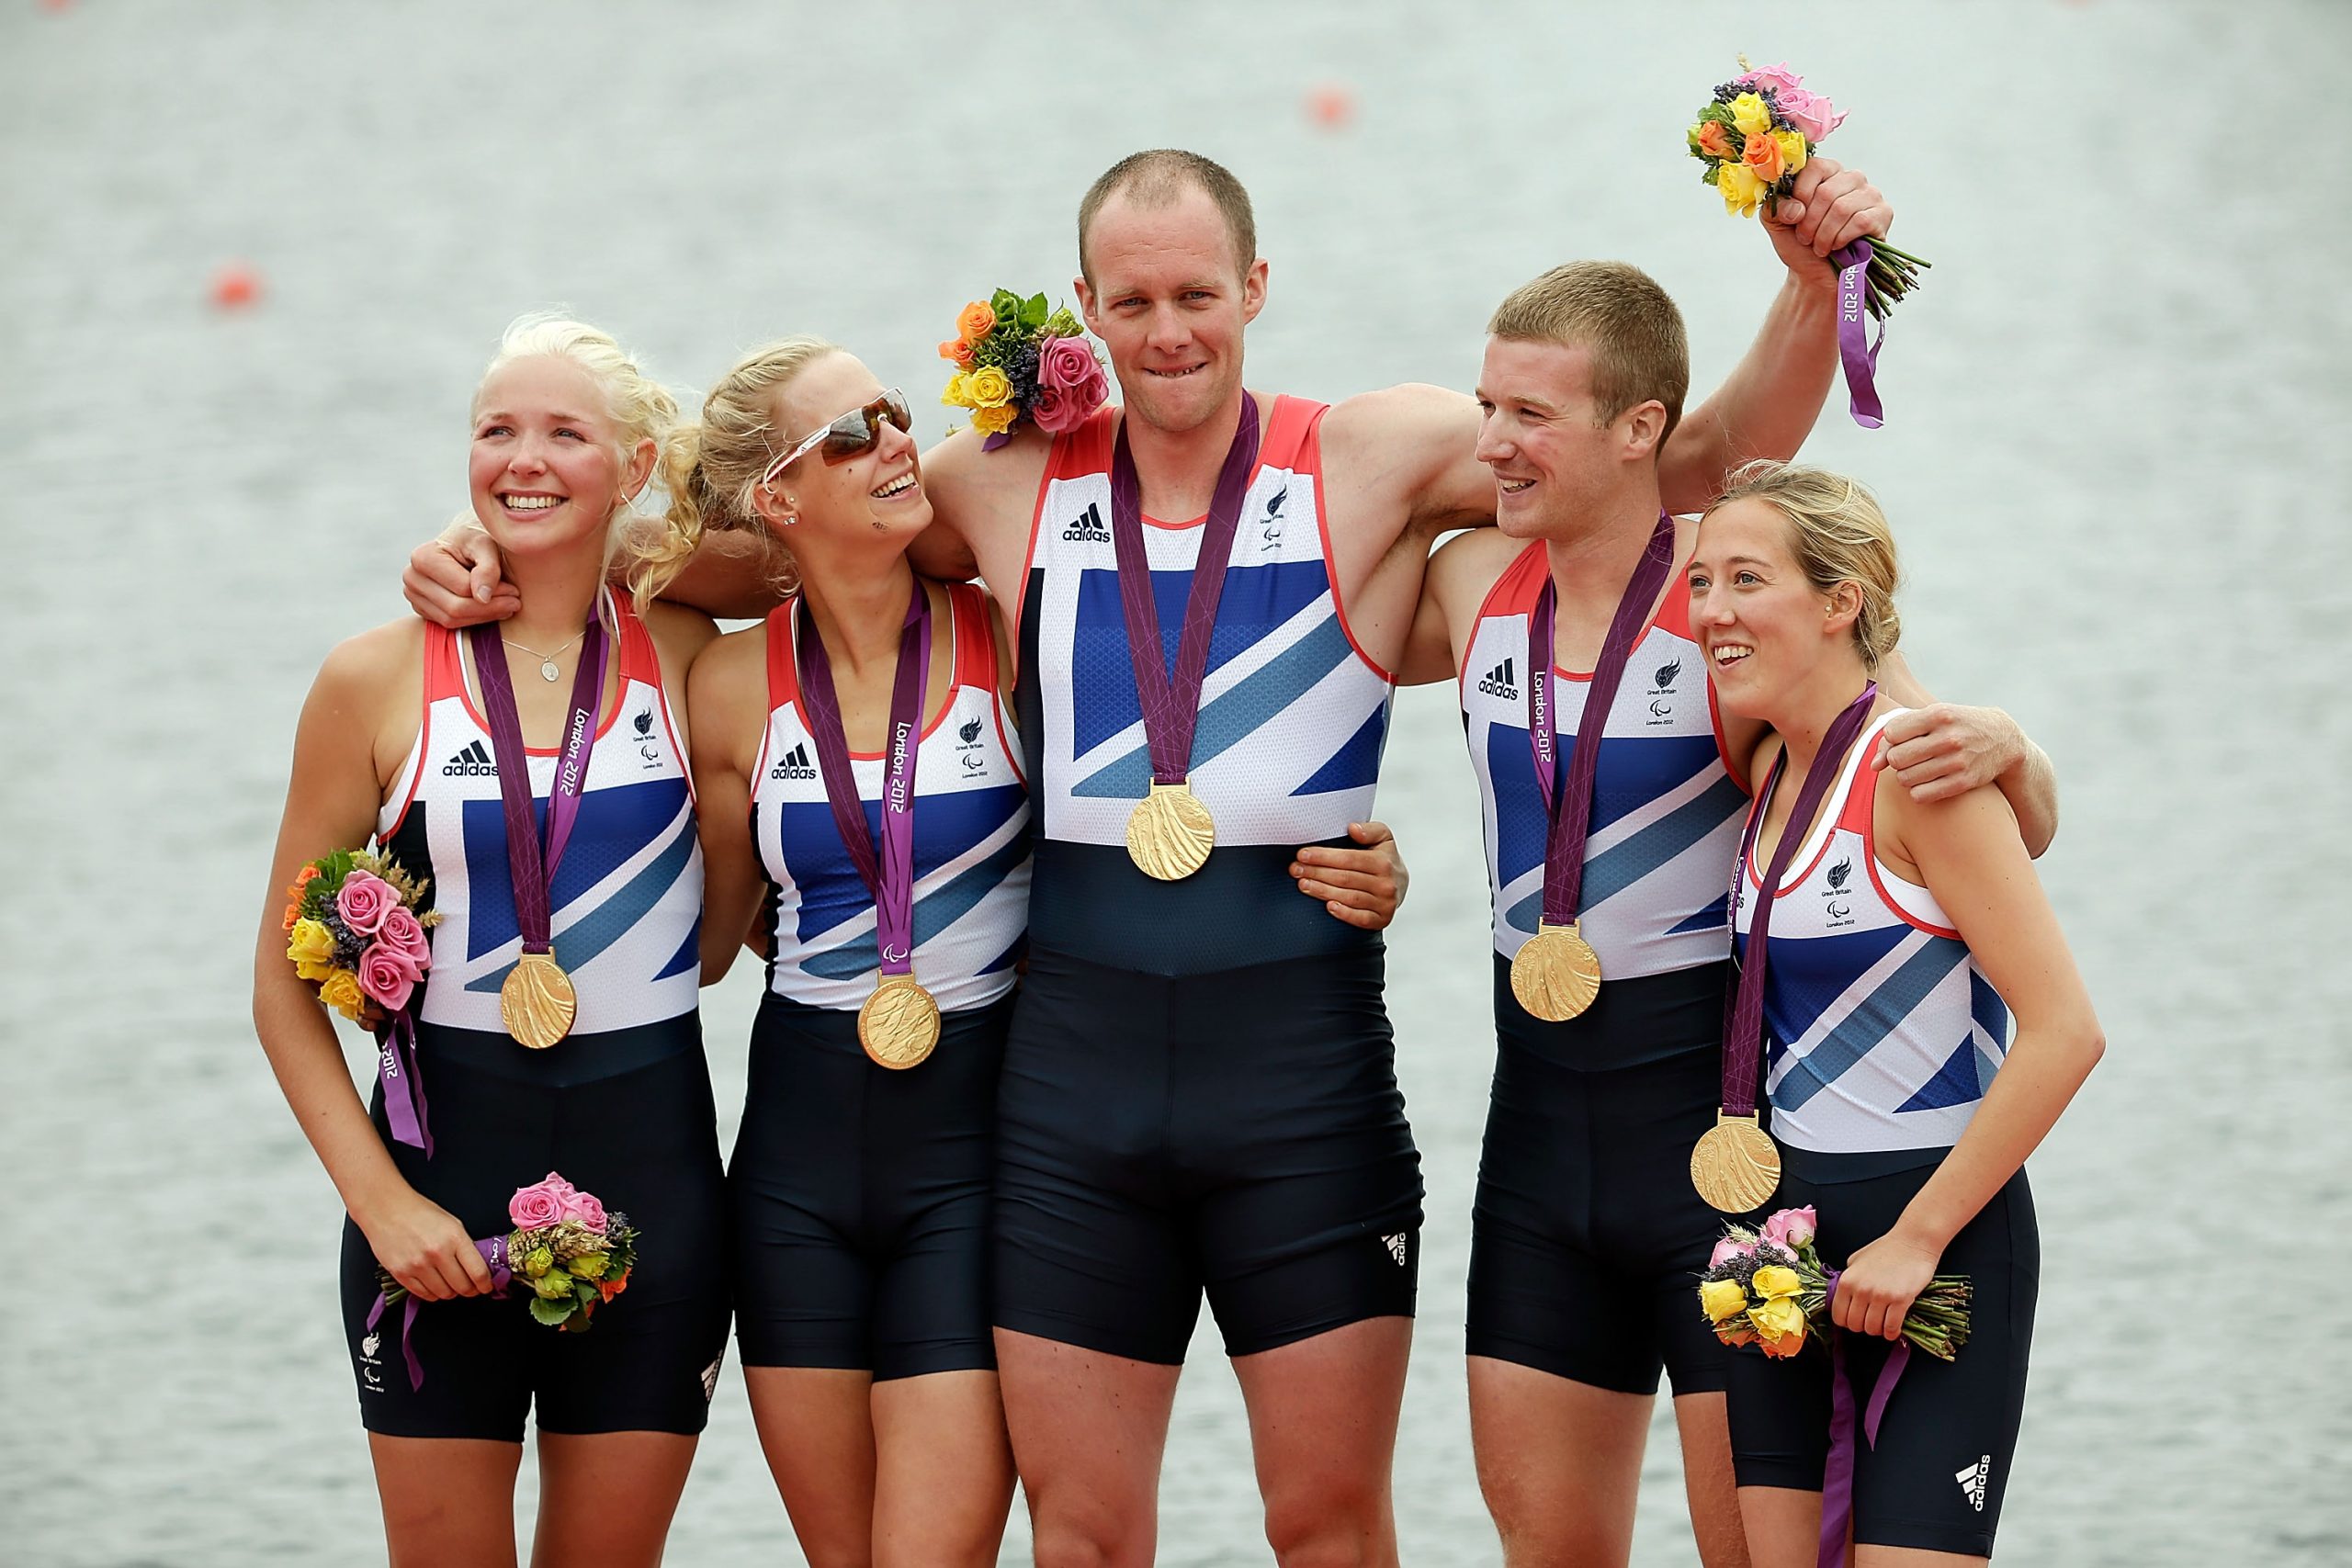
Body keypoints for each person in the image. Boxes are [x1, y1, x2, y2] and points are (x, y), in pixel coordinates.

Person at [406, 148, 1888, 1567]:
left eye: (1196, 294)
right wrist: (533, 551)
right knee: (1087, 1539)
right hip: (1073, 1114)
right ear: (1087, 308)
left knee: (1325, 1532)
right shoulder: (1000, 480)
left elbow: (1678, 457)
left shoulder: (1374, 455)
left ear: (1256, 284)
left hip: (1301, 1102)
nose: (1168, 330)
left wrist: (1812, 288)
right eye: (1132, 301)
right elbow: (780, 545)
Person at [1398, 265, 2061, 1567]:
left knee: (1749, 1552)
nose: (1490, 444)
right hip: (1535, 1144)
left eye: (1528, 412)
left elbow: (1916, 757)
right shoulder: (1467, 578)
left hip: (1719, 1152)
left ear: (1638, 430)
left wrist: (2020, 748)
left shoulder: (1720, 608)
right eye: (1488, 407)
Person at [252, 316, 727, 1568]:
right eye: (497, 430)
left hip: (655, 1193)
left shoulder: (689, 656)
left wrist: (629, 540)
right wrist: (382, 1202)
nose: (523, 458)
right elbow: (278, 990)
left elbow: (824, 549)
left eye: (566, 433)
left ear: (630, 468)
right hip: (433, 1200)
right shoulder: (372, 680)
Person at [1688, 462, 2102, 1565]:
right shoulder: (1770, 762)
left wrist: (1917, 1240)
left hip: (1942, 1247)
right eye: (1700, 583)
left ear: (1839, 603)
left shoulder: (1926, 772)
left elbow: (2067, 1032)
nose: (1712, 611)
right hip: (1780, 1246)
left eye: (1745, 580)